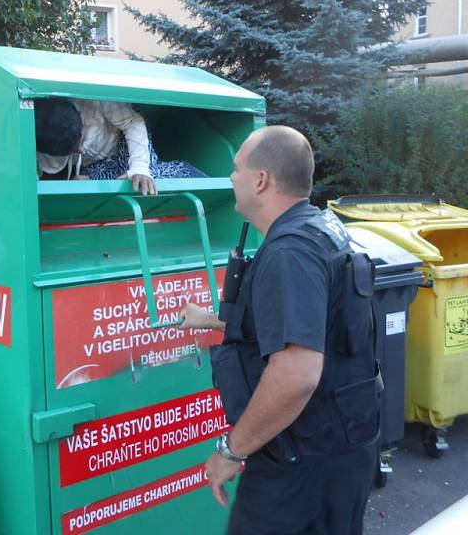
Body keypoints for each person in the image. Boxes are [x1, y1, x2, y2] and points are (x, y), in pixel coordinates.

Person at [180, 125, 379, 534]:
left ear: (261, 180)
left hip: (303, 466)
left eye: (236, 169)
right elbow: (313, 321)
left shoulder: (290, 252)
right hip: (337, 452)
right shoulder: (320, 228)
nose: (231, 177)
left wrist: (231, 450)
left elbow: (296, 375)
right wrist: (216, 319)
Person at [34, 98, 204, 195]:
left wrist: (139, 167)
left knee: (143, 179)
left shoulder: (94, 101)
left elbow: (133, 122)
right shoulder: (41, 139)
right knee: (90, 186)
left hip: (124, 139)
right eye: (71, 151)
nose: (81, 150)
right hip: (102, 161)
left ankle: (183, 171)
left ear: (80, 118)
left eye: (80, 140)